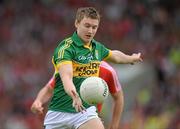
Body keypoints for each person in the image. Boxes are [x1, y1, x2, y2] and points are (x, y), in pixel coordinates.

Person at [32, 7, 142, 129]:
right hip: (59, 113)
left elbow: (115, 56)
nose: (90, 31)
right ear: (77, 23)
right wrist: (74, 96)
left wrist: (131, 58)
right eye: (87, 25)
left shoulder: (97, 48)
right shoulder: (65, 49)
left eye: (94, 27)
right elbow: (66, 77)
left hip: (84, 112)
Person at [31, 61, 124, 129]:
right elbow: (49, 89)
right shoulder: (68, 67)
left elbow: (118, 97)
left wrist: (114, 126)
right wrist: (38, 101)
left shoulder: (107, 71)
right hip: (61, 117)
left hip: (87, 119)